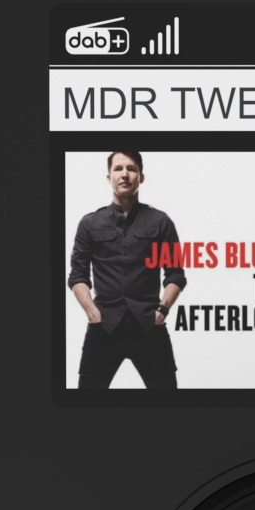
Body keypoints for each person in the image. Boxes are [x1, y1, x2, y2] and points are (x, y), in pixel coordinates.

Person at [68, 147, 186, 394]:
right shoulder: (89, 224)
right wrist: (91, 311)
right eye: (118, 169)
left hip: (149, 326)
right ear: (108, 176)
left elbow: (175, 274)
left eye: (131, 169)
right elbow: (77, 275)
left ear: (141, 177)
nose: (125, 174)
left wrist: (163, 310)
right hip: (104, 326)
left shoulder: (161, 222)